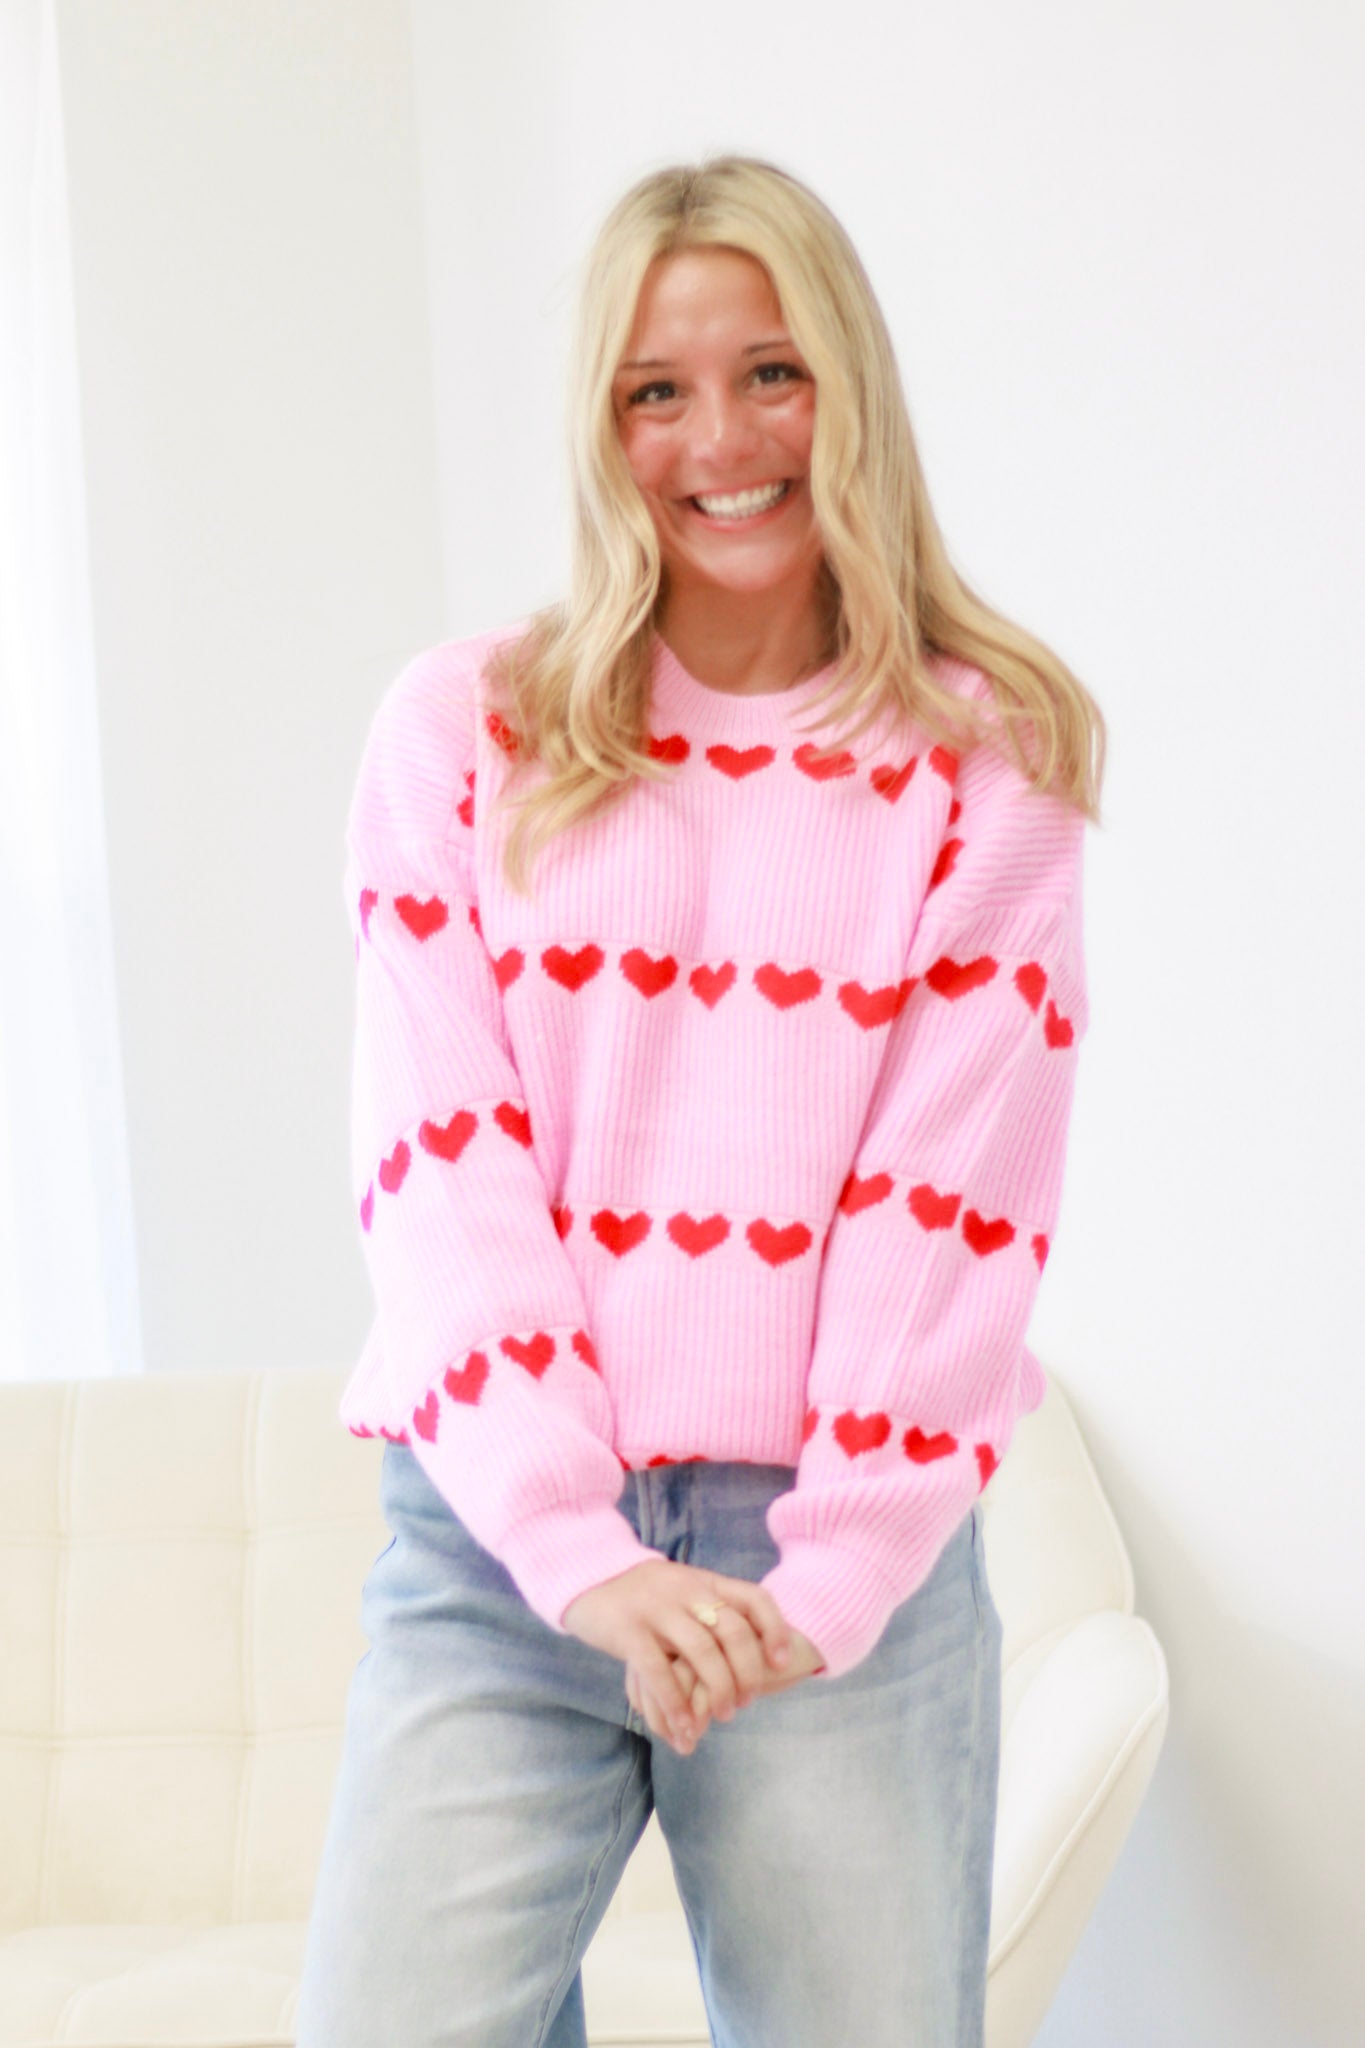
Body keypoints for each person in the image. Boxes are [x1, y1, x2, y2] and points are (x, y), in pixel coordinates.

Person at [295, 153, 1105, 2048]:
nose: (719, 442)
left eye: (771, 373)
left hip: (830, 1555)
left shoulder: (986, 758)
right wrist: (569, 1544)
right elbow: (437, 1161)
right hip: (494, 1548)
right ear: (601, 428)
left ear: (850, 388)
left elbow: (948, 1207)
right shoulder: (465, 731)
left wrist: (829, 1575)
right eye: (655, 391)